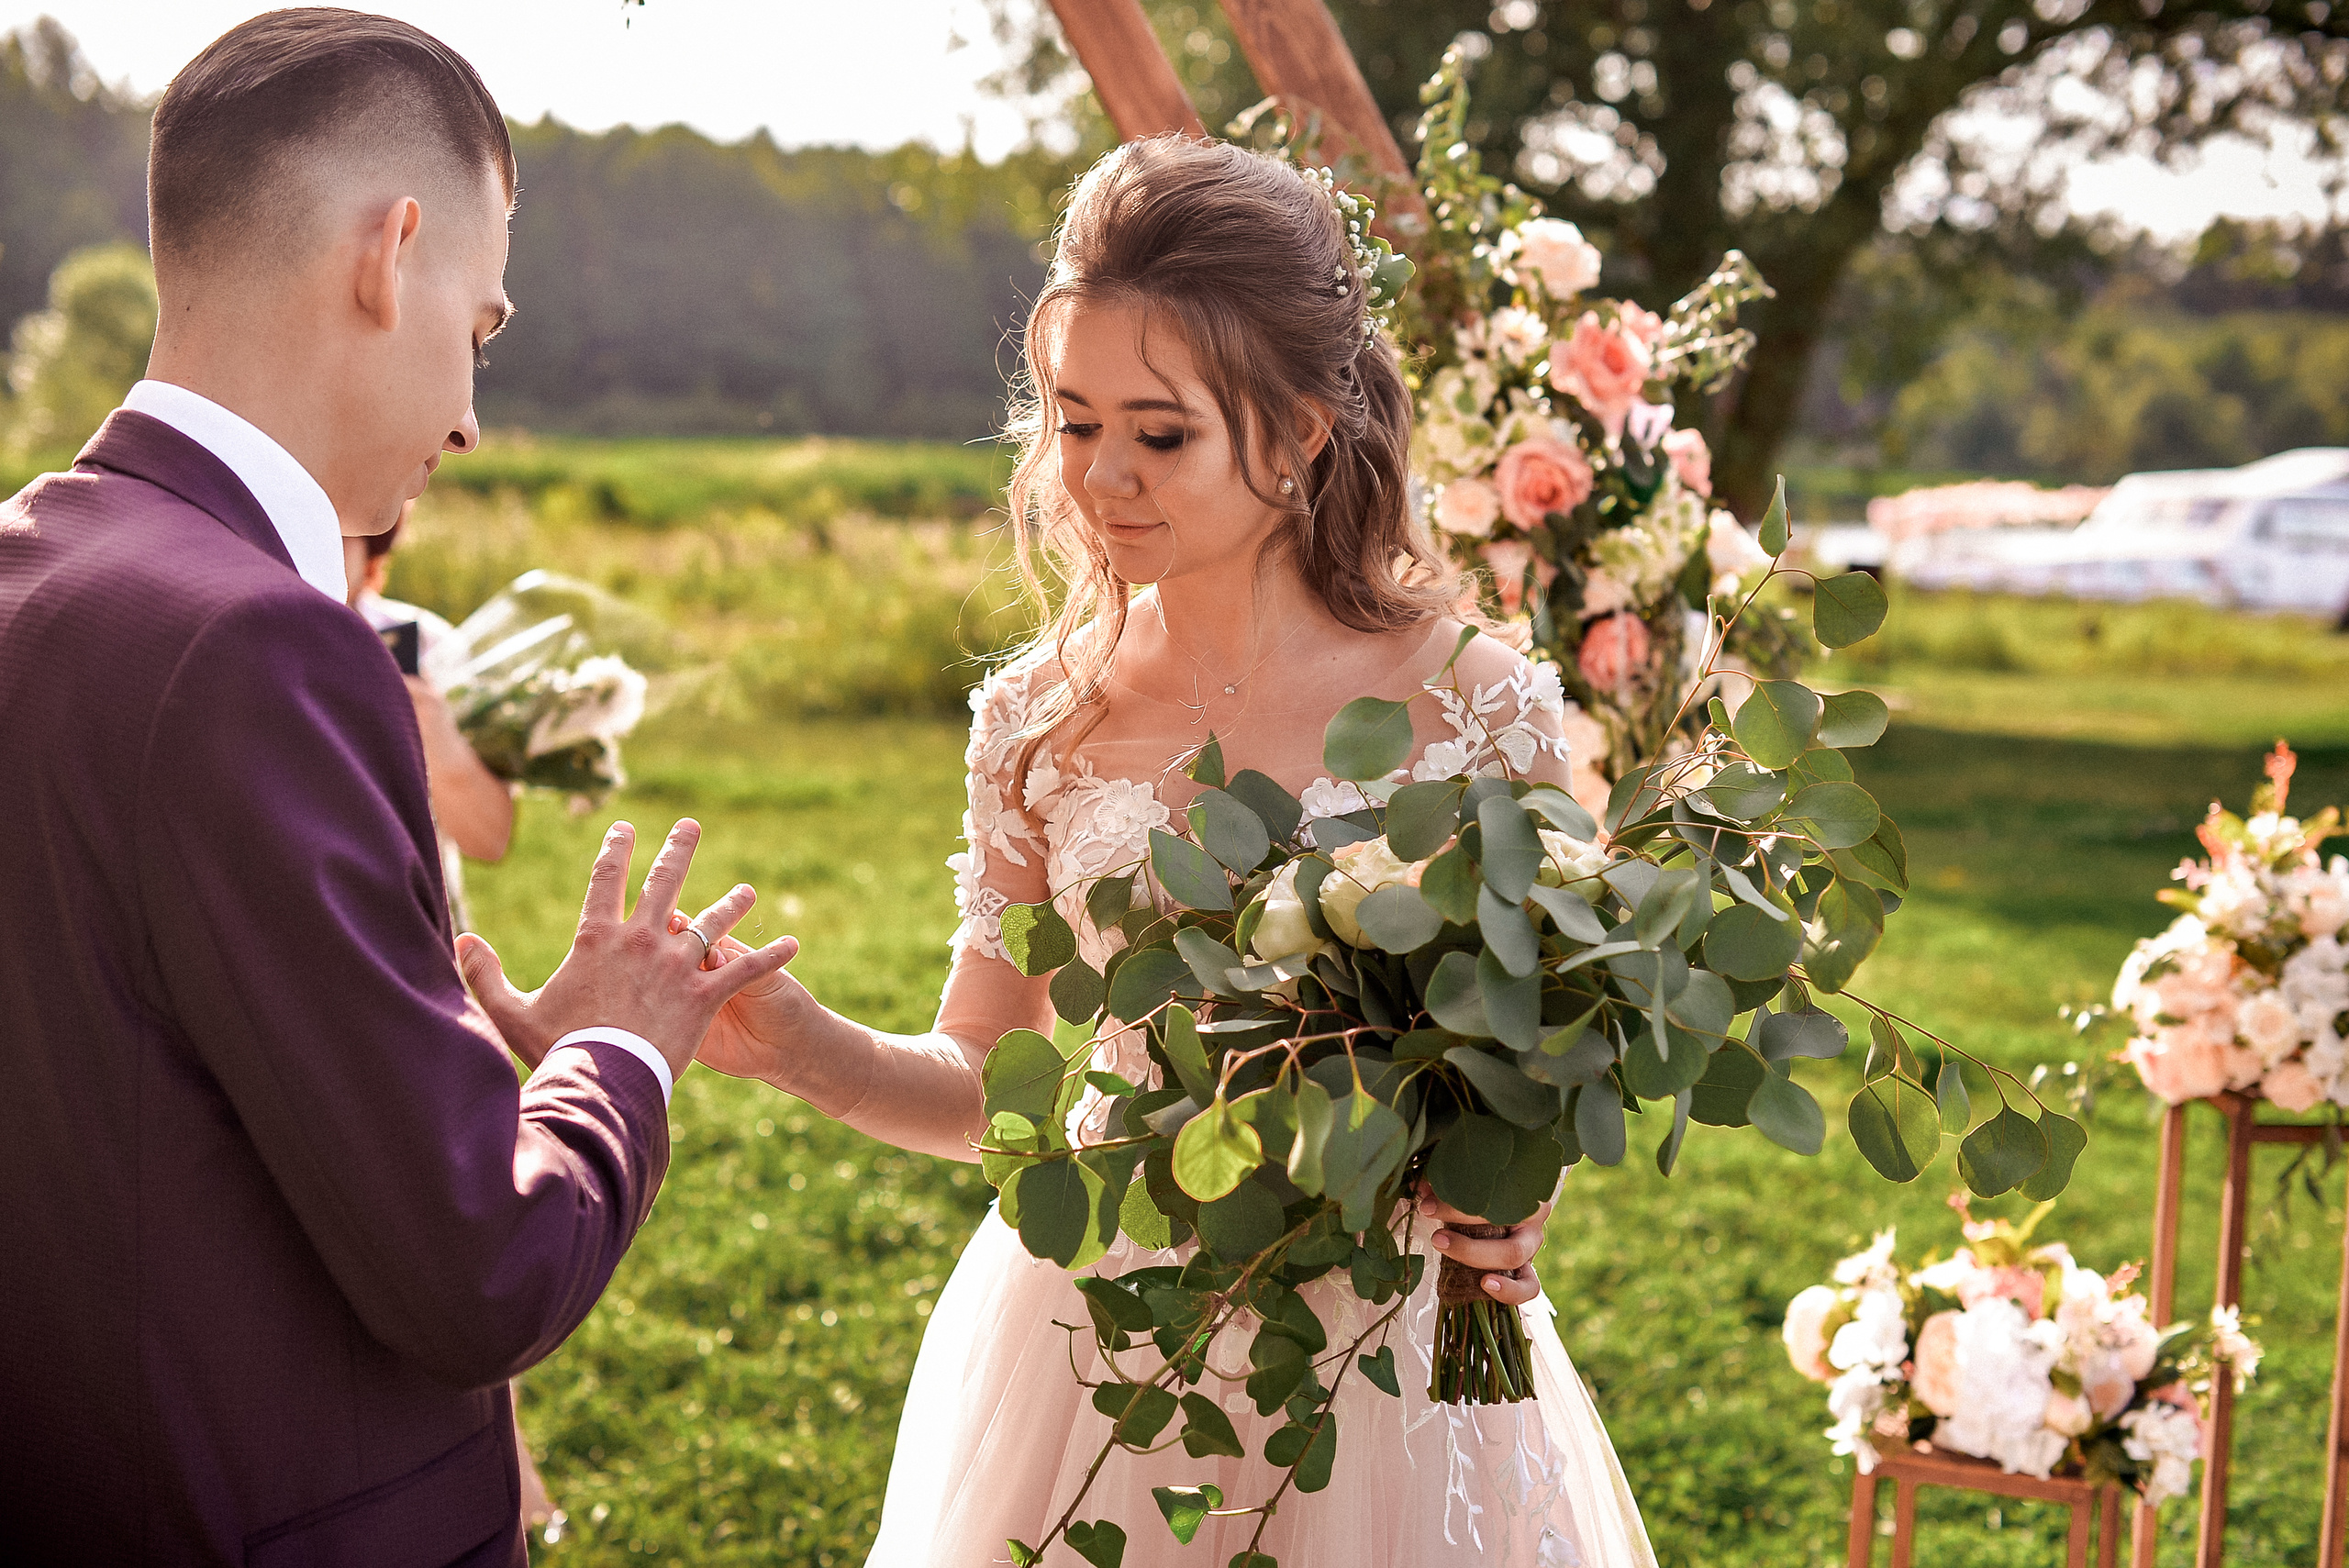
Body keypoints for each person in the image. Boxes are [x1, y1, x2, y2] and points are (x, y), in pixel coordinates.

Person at [693, 139, 1656, 1565]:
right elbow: (992, 1087)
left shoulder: (1478, 701)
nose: (1099, 478)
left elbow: (1540, 1044)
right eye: (1074, 423)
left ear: (1303, 427)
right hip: (1098, 1337)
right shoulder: (1035, 720)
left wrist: (1510, 1185)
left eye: (1160, 433)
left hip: (1381, 1341)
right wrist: (801, 1045)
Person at [0, 12, 794, 1563]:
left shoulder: (31, 565)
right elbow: (472, 1271)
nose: (470, 417)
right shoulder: (264, 643)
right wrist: (613, 1056)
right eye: (481, 330)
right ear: (392, 252)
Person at [346, 508, 516, 928]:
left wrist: (437, 737)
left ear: (374, 566)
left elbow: (489, 839)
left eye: (333, 541)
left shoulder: (429, 650)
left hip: (420, 928)